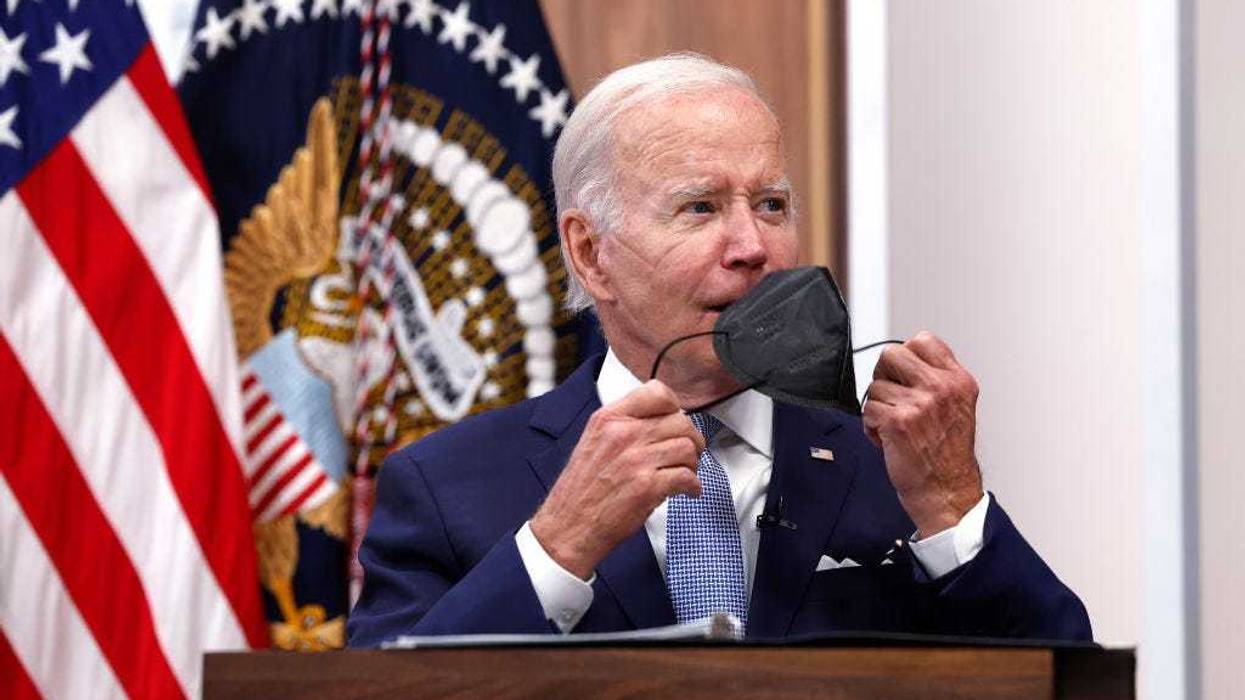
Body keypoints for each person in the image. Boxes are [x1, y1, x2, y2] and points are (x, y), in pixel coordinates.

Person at [347, 54, 1091, 646]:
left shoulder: (895, 463)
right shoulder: (445, 485)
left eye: (770, 205)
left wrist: (952, 509)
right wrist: (558, 545)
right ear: (590, 252)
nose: (752, 247)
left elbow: (1068, 681)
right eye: (699, 207)